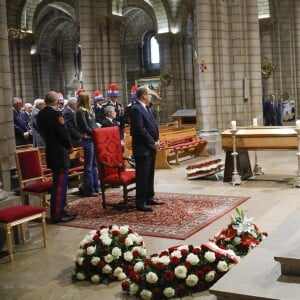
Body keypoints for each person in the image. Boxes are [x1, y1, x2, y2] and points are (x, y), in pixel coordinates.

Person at [36, 91, 77, 223]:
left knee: (58, 184)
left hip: (50, 150)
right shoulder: (56, 114)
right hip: (59, 152)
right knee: (60, 186)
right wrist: (69, 146)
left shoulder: (40, 114)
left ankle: (61, 211)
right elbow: (62, 132)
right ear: (56, 101)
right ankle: (58, 214)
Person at [130, 86, 164, 212]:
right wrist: (152, 142)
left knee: (150, 174)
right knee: (142, 176)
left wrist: (157, 140)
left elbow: (152, 126)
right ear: (144, 95)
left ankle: (149, 197)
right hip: (142, 147)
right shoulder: (136, 109)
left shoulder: (147, 108)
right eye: (149, 94)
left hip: (150, 146)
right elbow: (140, 130)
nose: (151, 96)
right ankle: (140, 202)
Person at [75, 92, 100, 197]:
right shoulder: (80, 111)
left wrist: (97, 131)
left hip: (92, 139)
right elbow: (85, 127)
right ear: (84, 100)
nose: (90, 101)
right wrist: (95, 133)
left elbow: (93, 124)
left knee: (94, 164)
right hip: (87, 140)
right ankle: (89, 190)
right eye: (88, 99)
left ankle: (95, 187)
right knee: (88, 166)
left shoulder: (89, 110)